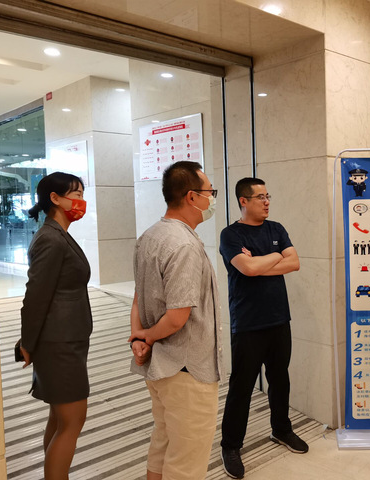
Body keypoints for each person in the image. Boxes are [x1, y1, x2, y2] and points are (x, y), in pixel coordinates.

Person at [129, 161, 223, 480]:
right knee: (187, 460)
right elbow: (177, 316)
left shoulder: (150, 235)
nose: (212, 198)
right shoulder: (184, 245)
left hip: (161, 366)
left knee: (164, 442)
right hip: (187, 368)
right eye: (210, 192)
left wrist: (140, 336)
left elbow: (139, 297)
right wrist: (148, 337)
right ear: (192, 197)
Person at [219, 177, 305, 479]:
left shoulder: (276, 228)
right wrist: (275, 257)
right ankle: (231, 445)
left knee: (280, 379)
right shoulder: (230, 234)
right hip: (248, 322)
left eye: (268, 196)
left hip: (279, 319)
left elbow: (294, 263)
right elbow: (247, 268)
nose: (267, 202)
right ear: (243, 201)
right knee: (241, 386)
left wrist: (261, 262)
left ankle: (281, 429)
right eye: (260, 197)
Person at [19, 172, 92, 479]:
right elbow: (35, 296)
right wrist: (27, 343)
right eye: (76, 195)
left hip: (67, 340)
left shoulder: (59, 234)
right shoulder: (50, 238)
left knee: (60, 420)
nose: (81, 201)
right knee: (72, 422)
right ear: (55, 198)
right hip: (59, 344)